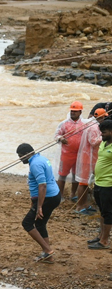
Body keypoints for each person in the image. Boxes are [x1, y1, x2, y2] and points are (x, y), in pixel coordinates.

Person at [17, 143, 60, 263]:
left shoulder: (35, 164)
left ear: (27, 154)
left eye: (21, 156)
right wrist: (34, 203)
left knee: (27, 223)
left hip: (48, 197)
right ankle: (48, 256)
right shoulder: (40, 158)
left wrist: (39, 206)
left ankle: (48, 250)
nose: (20, 159)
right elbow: (36, 185)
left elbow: (42, 185)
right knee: (40, 224)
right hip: (52, 195)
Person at [74, 106, 108, 212]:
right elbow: (93, 142)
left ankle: (85, 204)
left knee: (87, 182)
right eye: (104, 118)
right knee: (83, 183)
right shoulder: (94, 127)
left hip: (90, 157)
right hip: (88, 158)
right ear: (100, 118)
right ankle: (80, 206)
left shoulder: (93, 124)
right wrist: (104, 136)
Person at [87, 119, 112, 249]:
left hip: (108, 185)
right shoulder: (104, 143)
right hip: (98, 182)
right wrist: (93, 174)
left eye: (104, 132)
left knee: (108, 213)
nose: (101, 135)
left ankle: (105, 241)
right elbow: (101, 160)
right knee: (102, 211)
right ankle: (101, 236)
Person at [54, 101, 85, 201]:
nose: (73, 113)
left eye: (75, 111)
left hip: (79, 154)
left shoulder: (84, 124)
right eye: (72, 111)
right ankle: (60, 195)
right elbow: (56, 135)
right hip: (66, 154)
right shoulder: (64, 124)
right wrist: (61, 139)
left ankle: (72, 194)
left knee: (76, 176)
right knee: (62, 175)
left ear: (80, 112)